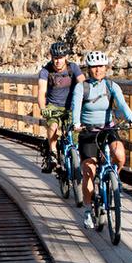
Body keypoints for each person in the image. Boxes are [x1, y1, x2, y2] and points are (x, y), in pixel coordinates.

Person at [69, 50, 132, 226]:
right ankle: (87, 209)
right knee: (89, 171)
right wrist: (76, 123)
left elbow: (122, 104)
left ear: (105, 67)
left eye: (100, 66)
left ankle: (114, 179)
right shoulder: (81, 87)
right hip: (88, 131)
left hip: (108, 129)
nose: (97, 70)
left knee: (120, 155)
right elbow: (76, 107)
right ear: (89, 69)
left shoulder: (111, 86)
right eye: (93, 67)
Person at [34, 41, 83, 172]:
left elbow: (83, 84)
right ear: (51, 57)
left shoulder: (73, 68)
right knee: (53, 126)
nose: (58, 61)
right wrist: (43, 109)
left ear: (65, 57)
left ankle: (75, 157)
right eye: (55, 58)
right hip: (53, 106)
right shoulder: (45, 71)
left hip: (71, 107)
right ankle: (53, 153)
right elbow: (41, 92)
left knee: (75, 133)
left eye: (60, 58)